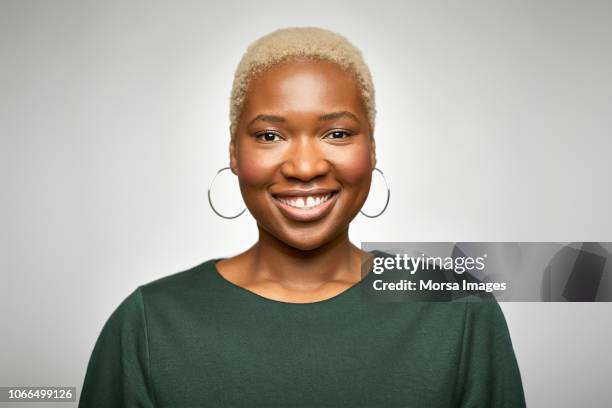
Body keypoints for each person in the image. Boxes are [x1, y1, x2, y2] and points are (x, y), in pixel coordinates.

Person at [79, 26, 526, 407]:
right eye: (270, 135)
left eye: (337, 133)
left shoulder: (456, 311)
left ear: (371, 149)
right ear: (234, 153)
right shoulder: (149, 323)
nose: (305, 166)